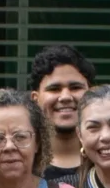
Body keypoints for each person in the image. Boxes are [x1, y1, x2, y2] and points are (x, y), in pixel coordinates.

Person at [30, 44, 94, 179]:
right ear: (35, 99)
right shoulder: (21, 164)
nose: (65, 97)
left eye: (75, 87)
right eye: (54, 89)